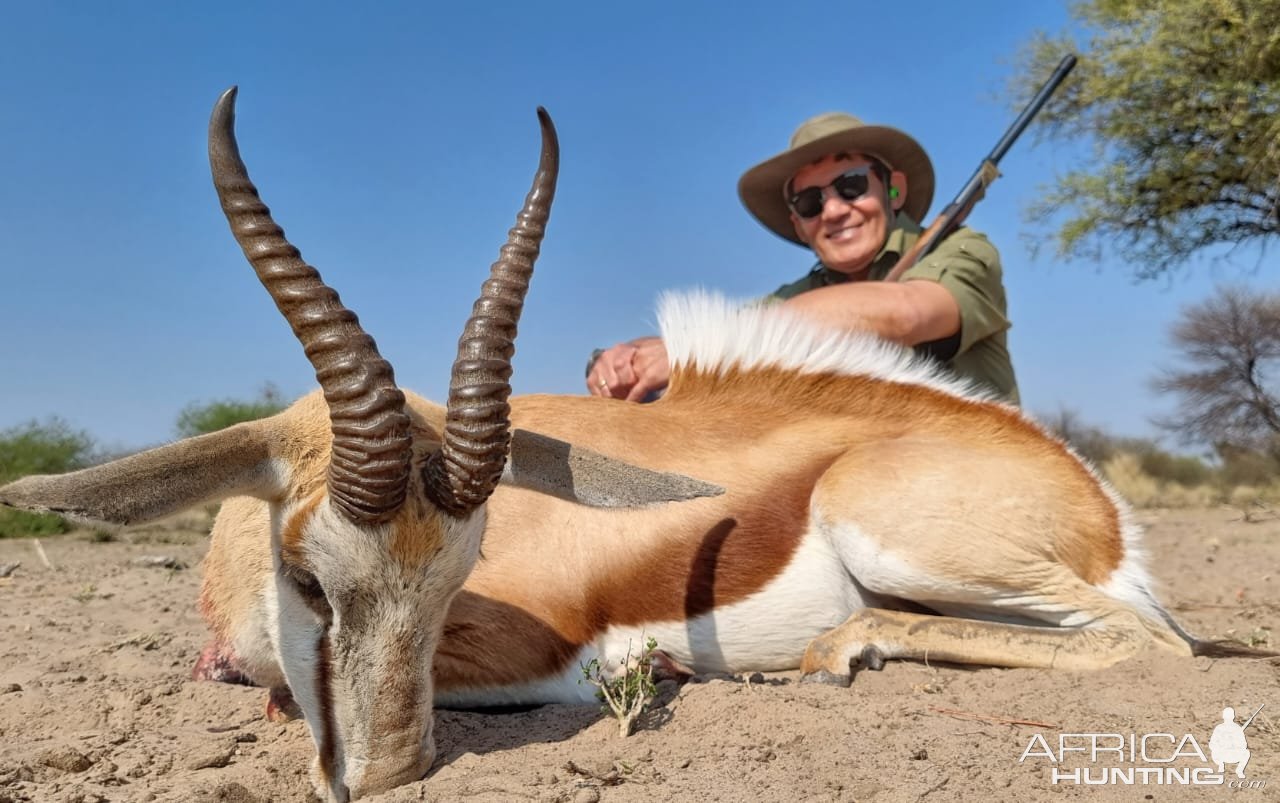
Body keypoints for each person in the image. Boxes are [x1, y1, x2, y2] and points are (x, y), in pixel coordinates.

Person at [586, 111, 1019, 404]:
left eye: (851, 185)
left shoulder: (962, 250)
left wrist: (693, 348)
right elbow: (728, 325)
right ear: (798, 224)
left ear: (894, 190)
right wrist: (620, 358)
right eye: (810, 202)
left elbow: (905, 314)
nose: (832, 210)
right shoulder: (798, 300)